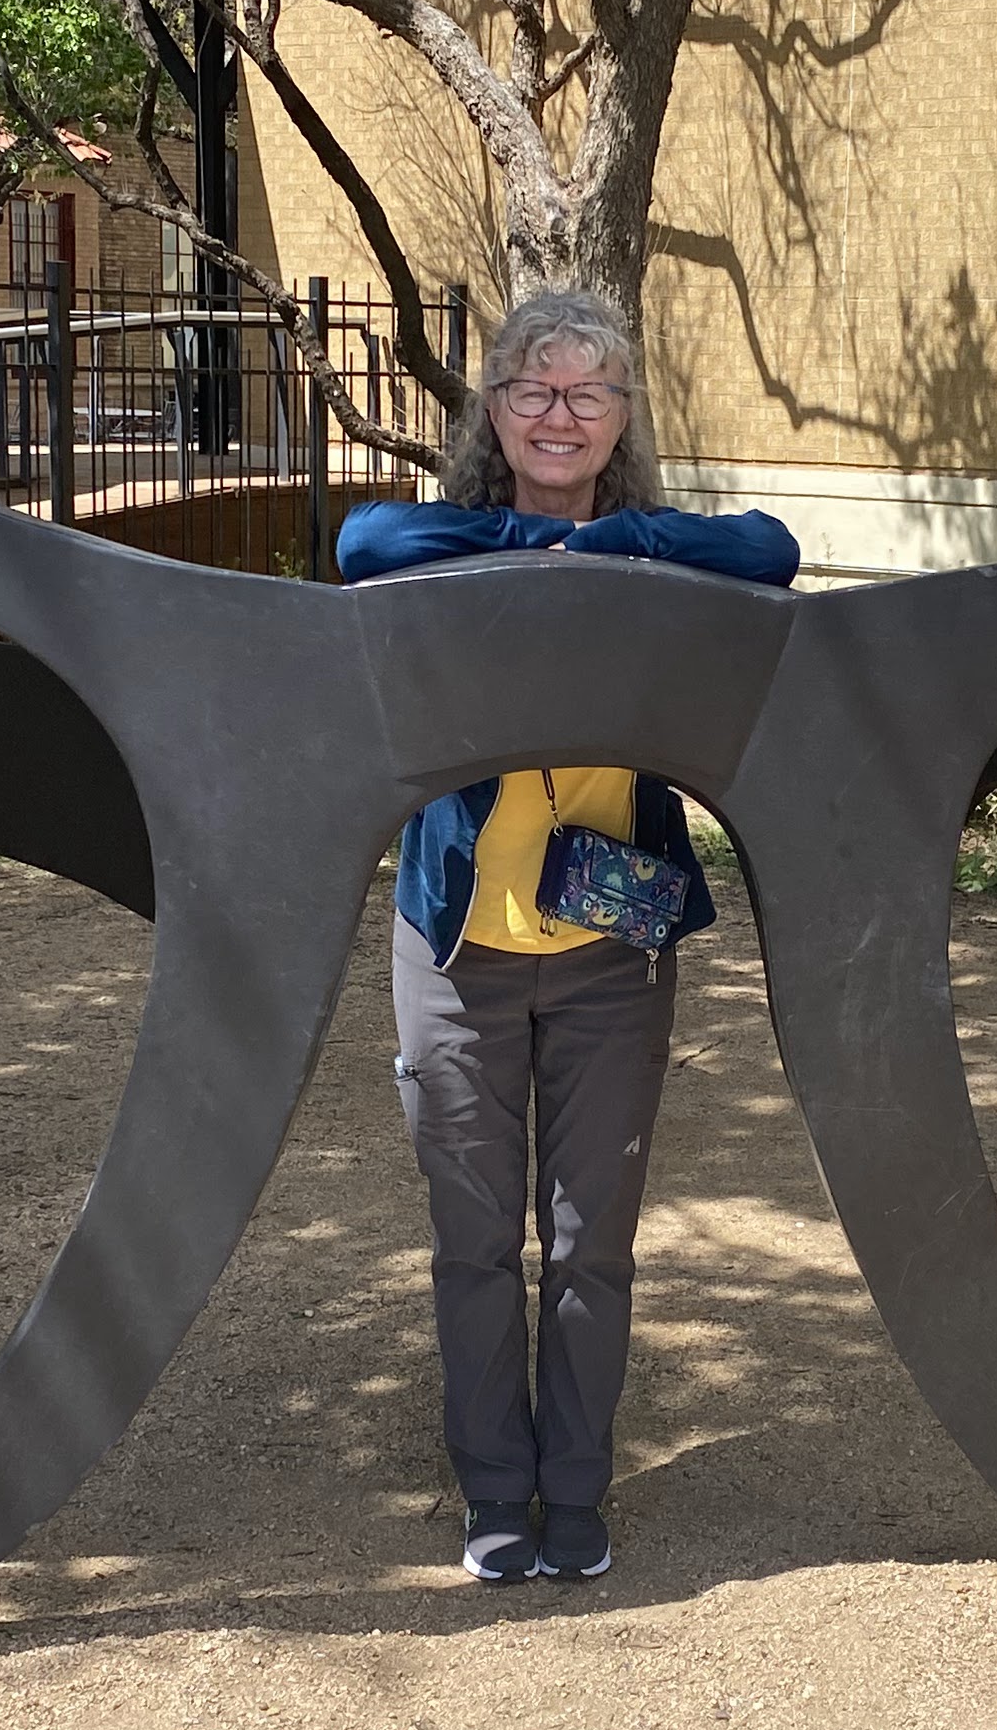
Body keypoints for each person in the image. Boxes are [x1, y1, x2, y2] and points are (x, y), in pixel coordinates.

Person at [336, 290, 800, 1586]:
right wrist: (523, 544)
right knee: (475, 1236)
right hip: (458, 947)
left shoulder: (653, 554)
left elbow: (770, 550)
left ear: (623, 419)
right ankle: (496, 1493)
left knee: (592, 1236)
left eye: (590, 393)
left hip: (609, 942)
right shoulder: (449, 542)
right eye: (536, 390)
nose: (560, 413)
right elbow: (360, 541)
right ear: (493, 409)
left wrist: (605, 544)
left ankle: (576, 1492)